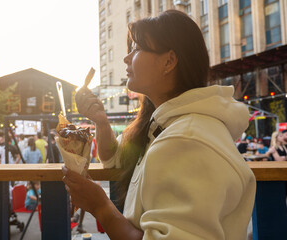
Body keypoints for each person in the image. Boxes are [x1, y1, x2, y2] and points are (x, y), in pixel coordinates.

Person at [62, 10, 256, 240]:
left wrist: (101, 207)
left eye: (137, 48)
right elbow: (116, 158)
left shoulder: (185, 141)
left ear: (169, 61)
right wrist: (101, 121)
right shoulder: (165, 126)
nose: (127, 58)